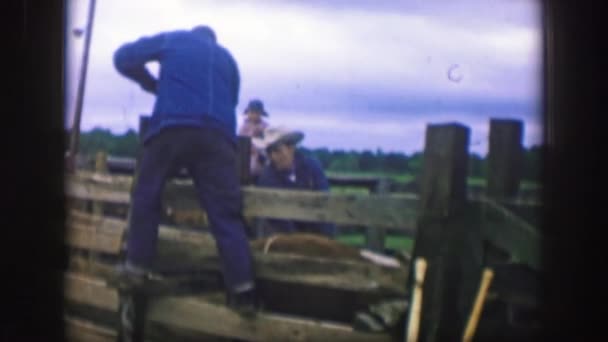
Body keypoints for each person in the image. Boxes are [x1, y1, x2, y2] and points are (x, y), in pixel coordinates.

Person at [112, 25, 258, 311]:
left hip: (172, 128)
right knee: (226, 216)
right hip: (218, 138)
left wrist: (151, 84)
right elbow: (232, 100)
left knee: (146, 195)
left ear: (194, 34)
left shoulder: (175, 39)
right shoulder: (228, 59)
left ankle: (137, 267)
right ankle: (243, 291)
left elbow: (123, 58)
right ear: (214, 41)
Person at [252, 126, 336, 238]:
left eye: (277, 150)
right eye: (269, 152)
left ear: (291, 148)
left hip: (317, 236)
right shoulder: (267, 178)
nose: (273, 156)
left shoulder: (312, 168)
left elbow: (326, 207)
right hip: (285, 240)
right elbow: (280, 222)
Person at [238, 99, 269, 181]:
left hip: (260, 154)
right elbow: (241, 139)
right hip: (246, 153)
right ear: (248, 113)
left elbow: (267, 141)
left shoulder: (265, 126)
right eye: (252, 112)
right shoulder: (244, 126)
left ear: (261, 114)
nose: (254, 115)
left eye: (257, 113)